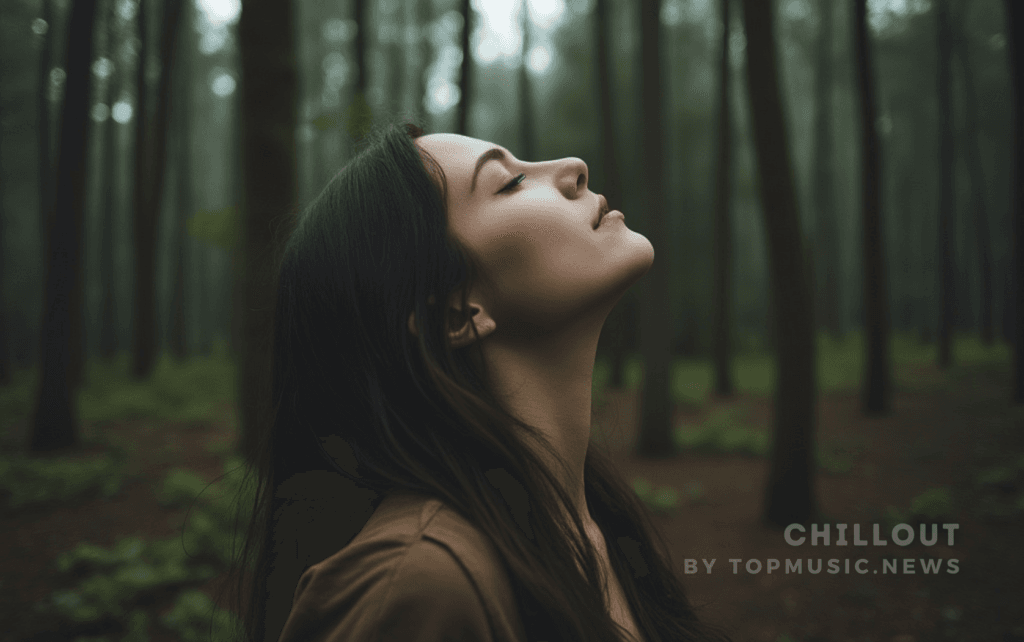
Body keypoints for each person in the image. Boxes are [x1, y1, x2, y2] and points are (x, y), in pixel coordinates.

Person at [224, 123, 732, 642]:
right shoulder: (419, 588)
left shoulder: (594, 530)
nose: (573, 168)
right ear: (455, 313)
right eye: (509, 182)